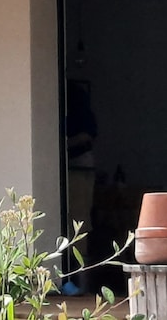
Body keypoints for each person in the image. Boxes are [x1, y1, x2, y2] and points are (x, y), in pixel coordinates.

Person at [63, 80, 98, 296]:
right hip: (79, 167)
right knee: (77, 225)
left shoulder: (77, 111)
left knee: (78, 225)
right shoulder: (82, 108)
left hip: (77, 168)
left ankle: (82, 286)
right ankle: (76, 284)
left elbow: (87, 136)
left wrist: (60, 143)